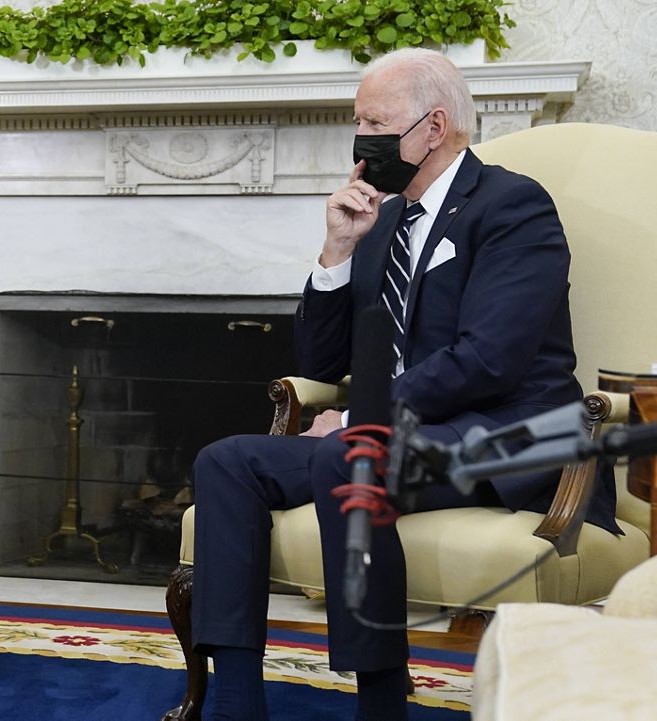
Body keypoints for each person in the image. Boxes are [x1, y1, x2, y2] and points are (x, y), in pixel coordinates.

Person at [189, 48, 620, 721]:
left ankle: (382, 701)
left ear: (434, 125)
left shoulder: (514, 207)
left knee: (346, 451)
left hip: (509, 437)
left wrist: (368, 415)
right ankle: (237, 701)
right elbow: (323, 363)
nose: (361, 138)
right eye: (357, 120)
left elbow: (490, 360)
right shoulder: (384, 219)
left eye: (375, 120)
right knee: (226, 461)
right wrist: (335, 253)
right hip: (398, 435)